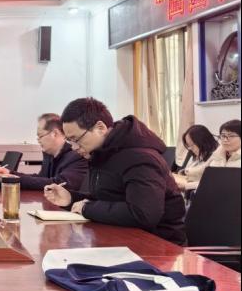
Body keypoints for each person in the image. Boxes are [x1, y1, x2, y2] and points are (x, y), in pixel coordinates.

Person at [44, 97, 186, 245]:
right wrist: (71, 198)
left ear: (100, 128)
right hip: (123, 239)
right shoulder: (102, 153)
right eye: (70, 141)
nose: (73, 147)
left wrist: (87, 208)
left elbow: (143, 214)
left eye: (76, 139)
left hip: (159, 246)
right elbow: (109, 198)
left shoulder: (140, 157)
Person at [0, 113, 87, 191]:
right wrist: (11, 173)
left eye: (40, 136)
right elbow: (40, 178)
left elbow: (58, 184)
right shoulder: (49, 155)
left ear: (54, 133)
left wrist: (15, 180)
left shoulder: (76, 157)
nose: (38, 140)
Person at [172, 124, 218, 191]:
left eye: (192, 145)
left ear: (203, 142)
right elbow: (189, 170)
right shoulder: (196, 155)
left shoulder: (216, 158)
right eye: (188, 145)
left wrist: (186, 186)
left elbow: (209, 182)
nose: (190, 148)